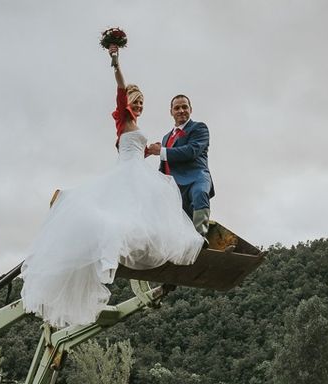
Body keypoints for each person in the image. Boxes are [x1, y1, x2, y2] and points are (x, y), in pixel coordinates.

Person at [20, 45, 204, 328]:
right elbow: (119, 88)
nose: (140, 105)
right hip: (127, 173)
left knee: (143, 217)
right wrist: (116, 61)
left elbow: (143, 153)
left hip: (137, 170)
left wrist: (156, 154)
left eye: (142, 102)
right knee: (118, 219)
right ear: (128, 102)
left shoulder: (135, 126)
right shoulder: (124, 117)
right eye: (136, 101)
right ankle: (108, 252)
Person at [154, 94, 215, 236]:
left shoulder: (199, 128)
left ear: (190, 109)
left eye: (184, 107)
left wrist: (162, 151)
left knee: (200, 194)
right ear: (171, 112)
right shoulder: (166, 138)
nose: (181, 110)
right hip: (174, 187)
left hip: (196, 178)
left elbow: (191, 151)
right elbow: (164, 164)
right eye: (177, 108)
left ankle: (201, 236)